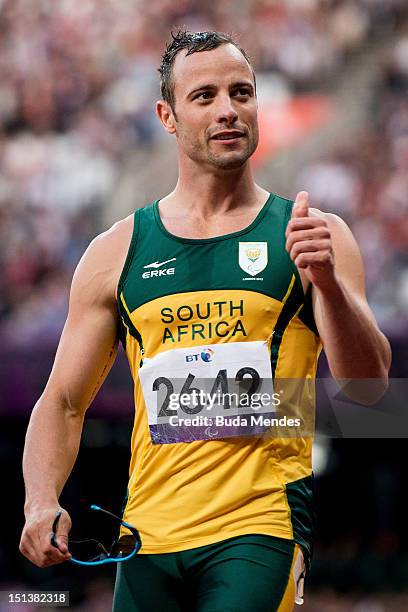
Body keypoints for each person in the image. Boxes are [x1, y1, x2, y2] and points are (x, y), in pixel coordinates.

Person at [20, 30, 391, 611]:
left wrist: (328, 287)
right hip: (145, 535)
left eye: (242, 93)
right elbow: (63, 401)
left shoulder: (314, 235)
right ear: (166, 116)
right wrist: (40, 500)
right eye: (206, 96)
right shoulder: (116, 253)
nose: (228, 110)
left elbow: (369, 391)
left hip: (260, 525)